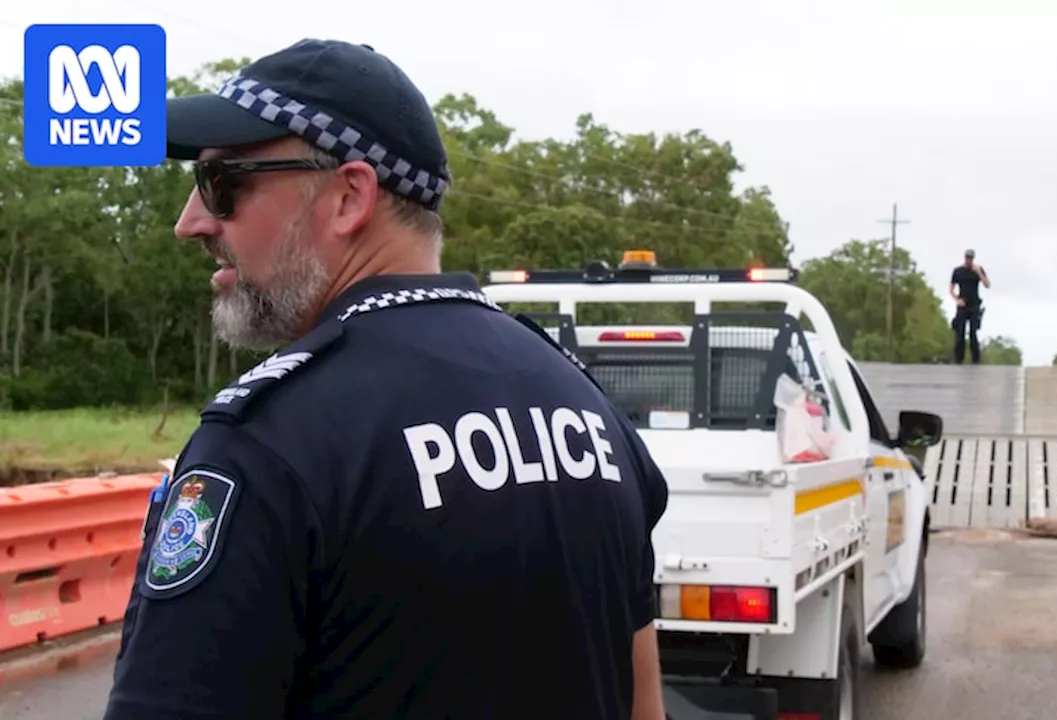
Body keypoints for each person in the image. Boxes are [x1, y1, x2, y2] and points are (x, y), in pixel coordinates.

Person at [103, 39, 669, 720]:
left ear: (348, 197)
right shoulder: (584, 404)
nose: (190, 223)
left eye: (222, 185)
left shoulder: (270, 445)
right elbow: (644, 706)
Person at [949, 249, 990, 364]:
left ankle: (976, 359)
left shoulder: (978, 270)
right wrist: (957, 299)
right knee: (959, 332)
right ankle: (958, 359)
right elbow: (951, 289)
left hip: (974, 304)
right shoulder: (958, 271)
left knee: (973, 332)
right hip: (962, 304)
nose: (969, 260)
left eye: (971, 259)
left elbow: (987, 284)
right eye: (967, 258)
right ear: (964, 258)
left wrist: (979, 273)